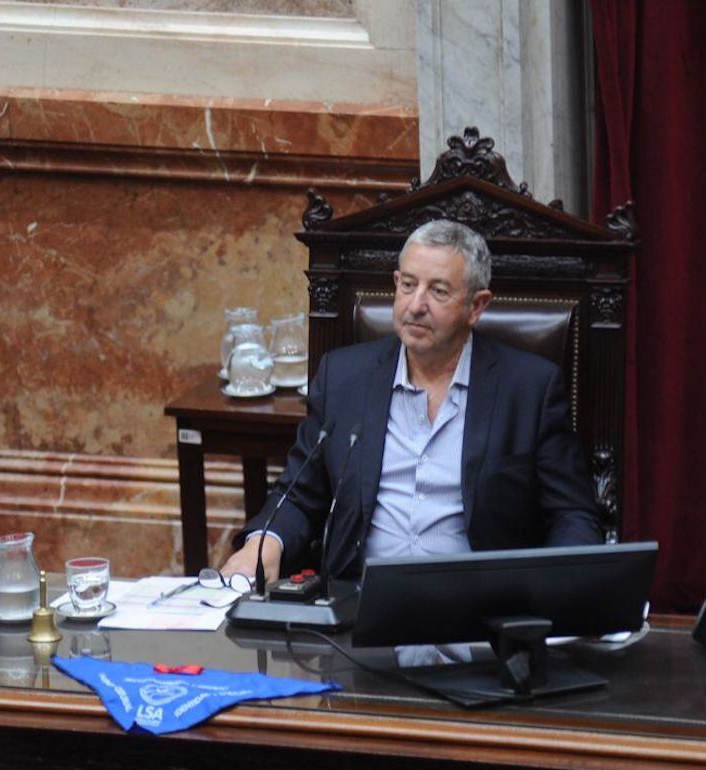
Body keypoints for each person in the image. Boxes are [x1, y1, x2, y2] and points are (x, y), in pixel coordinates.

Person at [221, 220, 602, 586]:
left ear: (477, 306)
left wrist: (558, 591)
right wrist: (263, 545)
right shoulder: (344, 379)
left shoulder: (529, 389)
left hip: (483, 617)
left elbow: (572, 514)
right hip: (360, 610)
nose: (416, 304)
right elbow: (299, 494)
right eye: (408, 285)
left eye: (438, 291)